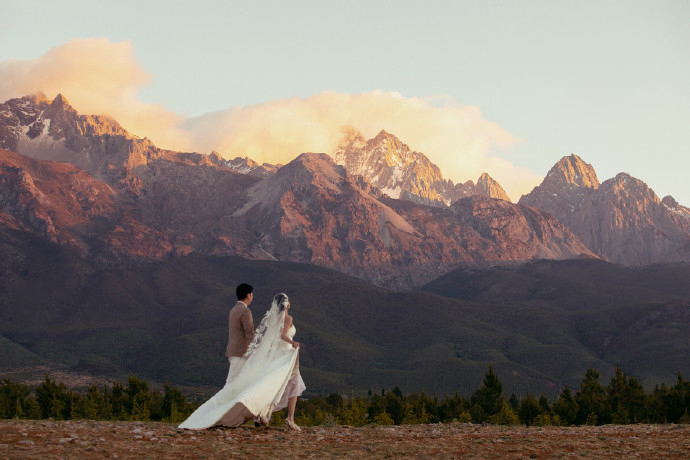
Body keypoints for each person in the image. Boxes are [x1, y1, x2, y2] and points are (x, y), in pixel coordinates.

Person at [179, 292, 306, 431]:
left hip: (275, 354)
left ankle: (264, 414)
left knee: (275, 383)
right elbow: (282, 336)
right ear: (287, 304)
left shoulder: (273, 319)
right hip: (285, 354)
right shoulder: (288, 318)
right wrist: (294, 343)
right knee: (290, 382)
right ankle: (286, 417)